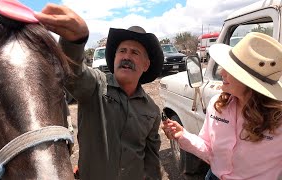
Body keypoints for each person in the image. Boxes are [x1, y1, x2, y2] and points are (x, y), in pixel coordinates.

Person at [34, 4, 164, 180]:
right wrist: (75, 42)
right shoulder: (95, 85)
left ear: (146, 65)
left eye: (135, 52)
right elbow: (74, 73)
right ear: (115, 57)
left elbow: (151, 158)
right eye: (122, 51)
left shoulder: (152, 110)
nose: (126, 56)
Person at [162, 32, 282, 180]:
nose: (221, 72)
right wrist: (183, 136)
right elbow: (210, 150)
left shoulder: (278, 120)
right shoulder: (218, 104)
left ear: (250, 82)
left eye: (231, 69)